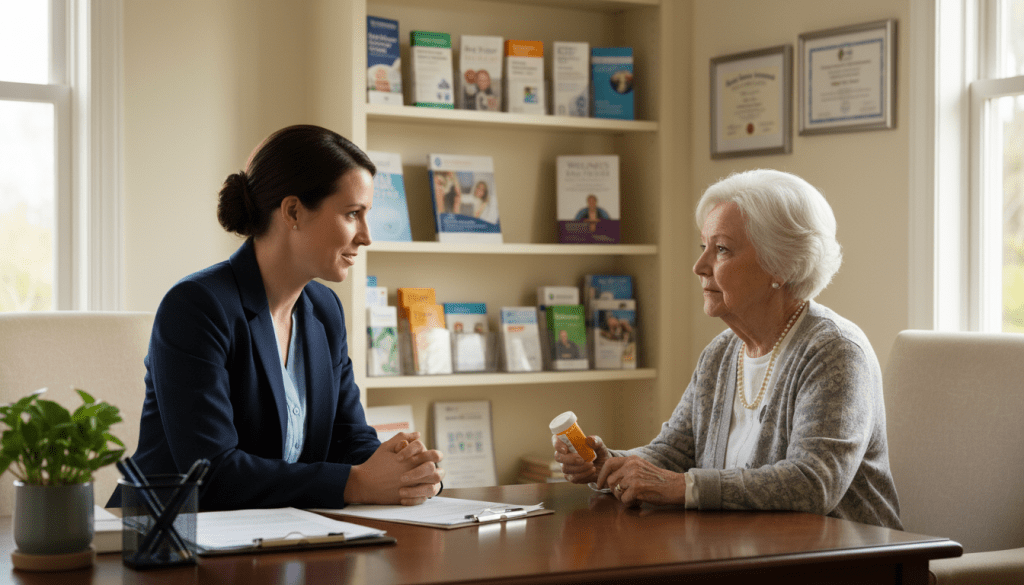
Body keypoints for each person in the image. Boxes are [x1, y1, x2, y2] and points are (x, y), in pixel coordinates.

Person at [109, 125, 444, 511]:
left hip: (281, 537)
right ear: (293, 211)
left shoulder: (325, 310)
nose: (366, 236)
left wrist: (405, 472)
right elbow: (212, 473)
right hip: (167, 542)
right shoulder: (197, 307)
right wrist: (357, 484)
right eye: (353, 214)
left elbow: (349, 440)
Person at [554, 169, 902, 530]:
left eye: (721, 249)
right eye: (703, 247)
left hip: (848, 563)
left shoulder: (836, 351)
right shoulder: (721, 353)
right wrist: (610, 464)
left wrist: (682, 487)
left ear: (780, 264)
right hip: (743, 552)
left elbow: (812, 484)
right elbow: (674, 452)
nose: (699, 266)